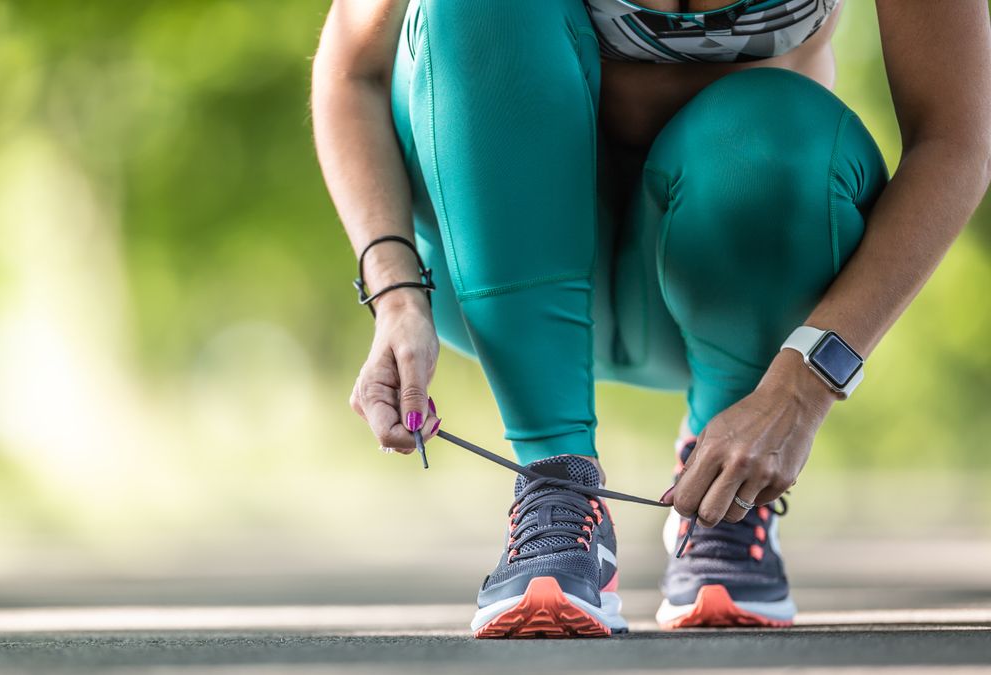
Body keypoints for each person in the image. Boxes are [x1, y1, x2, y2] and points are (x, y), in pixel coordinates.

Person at [311, 0, 991, 637]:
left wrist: (803, 385)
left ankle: (725, 491)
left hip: (720, 295)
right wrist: (396, 295)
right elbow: (353, 70)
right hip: (492, 267)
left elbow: (955, 140)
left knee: (775, 129)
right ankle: (556, 485)